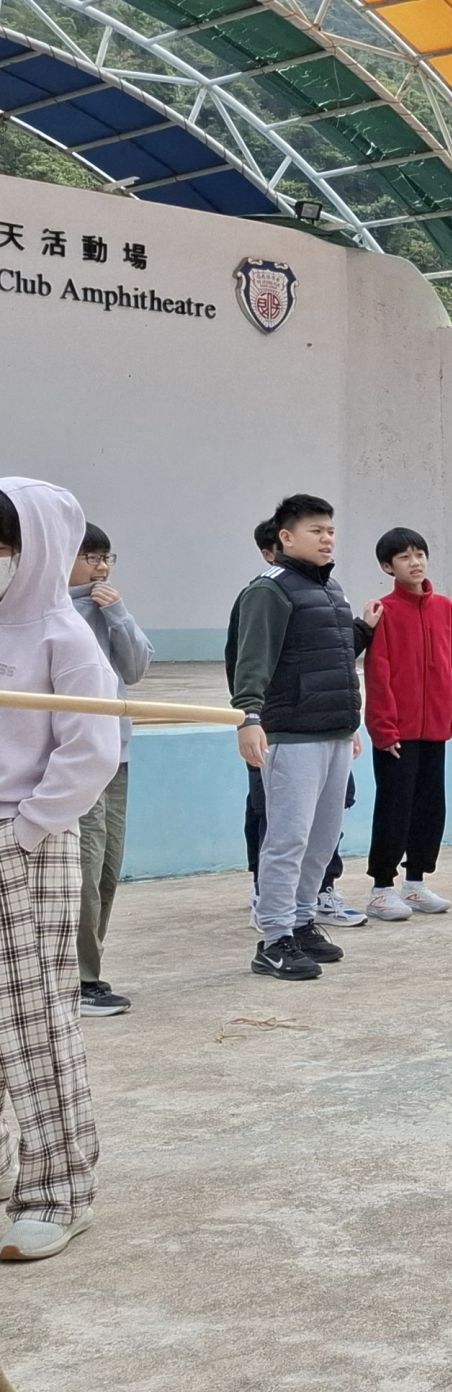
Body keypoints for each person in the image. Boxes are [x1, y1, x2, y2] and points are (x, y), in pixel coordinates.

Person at [0, 476, 121, 1261]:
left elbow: (91, 750)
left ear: (35, 548)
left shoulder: (63, 638)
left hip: (25, 845)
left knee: (34, 1020)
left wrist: (26, 829)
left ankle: (57, 1190)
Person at [229, 495, 376, 981]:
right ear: (286, 537)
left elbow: (337, 660)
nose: (327, 538)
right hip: (289, 735)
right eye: (316, 530)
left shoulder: (331, 588)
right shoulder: (269, 590)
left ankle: (301, 920)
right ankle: (274, 939)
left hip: (334, 731)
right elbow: (251, 659)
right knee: (287, 839)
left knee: (321, 838)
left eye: (330, 530)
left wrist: (350, 724)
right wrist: (249, 717)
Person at [360, 527, 452, 923]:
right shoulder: (384, 612)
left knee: (429, 808)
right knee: (394, 808)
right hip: (397, 734)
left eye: (420, 554)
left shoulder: (446, 609)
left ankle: (415, 882)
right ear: (387, 567)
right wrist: (383, 729)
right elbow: (378, 676)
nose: (415, 562)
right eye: (405, 557)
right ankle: (381, 889)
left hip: (435, 731)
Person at [67, 522, 151, 1018]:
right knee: (82, 868)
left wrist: (117, 612)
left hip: (116, 754)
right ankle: (80, 979)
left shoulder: (108, 609)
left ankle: (87, 971)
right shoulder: (52, 610)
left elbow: (136, 668)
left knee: (107, 870)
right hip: (76, 757)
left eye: (106, 558)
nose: (101, 568)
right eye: (90, 557)